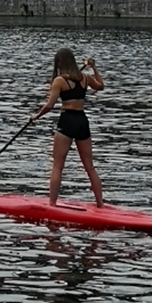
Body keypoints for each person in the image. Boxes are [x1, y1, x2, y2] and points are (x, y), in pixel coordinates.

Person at [30, 48, 105, 207]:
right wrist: (94, 68)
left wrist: (36, 116)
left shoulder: (59, 81)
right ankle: (100, 204)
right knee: (89, 166)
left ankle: (52, 204)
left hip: (67, 120)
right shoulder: (85, 78)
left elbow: (49, 106)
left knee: (57, 165)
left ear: (59, 63)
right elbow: (100, 86)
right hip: (82, 121)